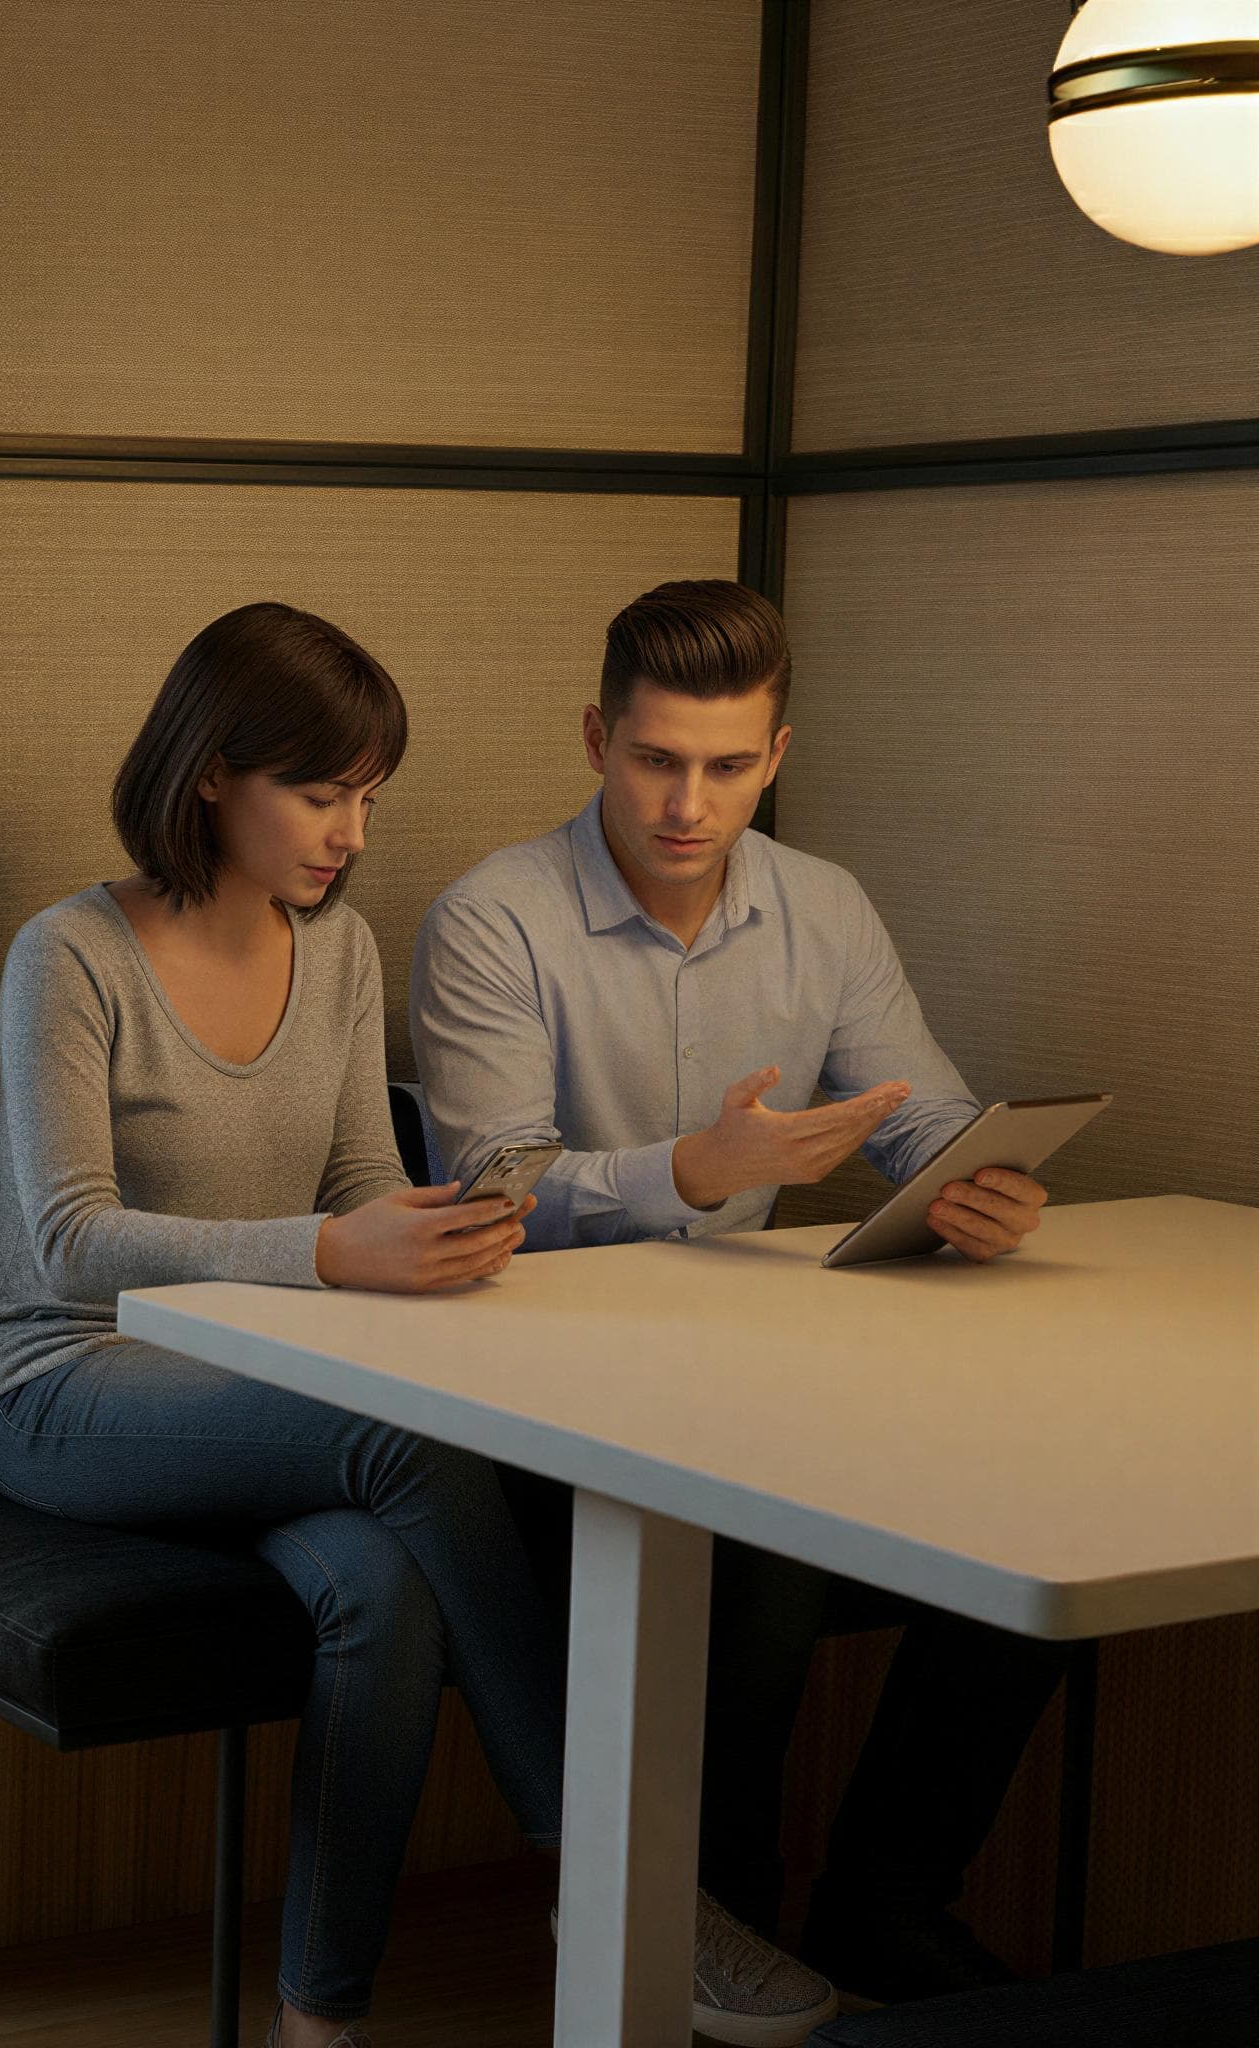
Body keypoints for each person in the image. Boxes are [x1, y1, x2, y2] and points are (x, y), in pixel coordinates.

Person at [0, 602, 806, 2048]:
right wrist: (333, 1253)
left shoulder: (338, 948)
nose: (350, 830)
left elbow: (358, 1182)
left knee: (380, 1590)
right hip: (68, 1384)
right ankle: (604, 1876)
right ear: (212, 772)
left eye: (366, 796)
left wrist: (444, 1228)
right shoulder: (70, 955)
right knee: (403, 1445)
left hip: (266, 1388)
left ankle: (317, 2019)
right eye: (318, 791)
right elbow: (69, 1242)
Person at [411, 578, 1071, 2010]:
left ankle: (883, 1907)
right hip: (541, 1377)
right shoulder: (493, 918)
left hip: (754, 1355)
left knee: (1035, 1510)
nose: (686, 804)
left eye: (725, 766)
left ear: (775, 755)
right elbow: (491, 1186)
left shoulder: (822, 905)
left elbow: (918, 1109)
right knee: (760, 1539)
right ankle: (707, 1930)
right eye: (655, 759)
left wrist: (972, 1182)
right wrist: (692, 1175)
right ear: (597, 738)